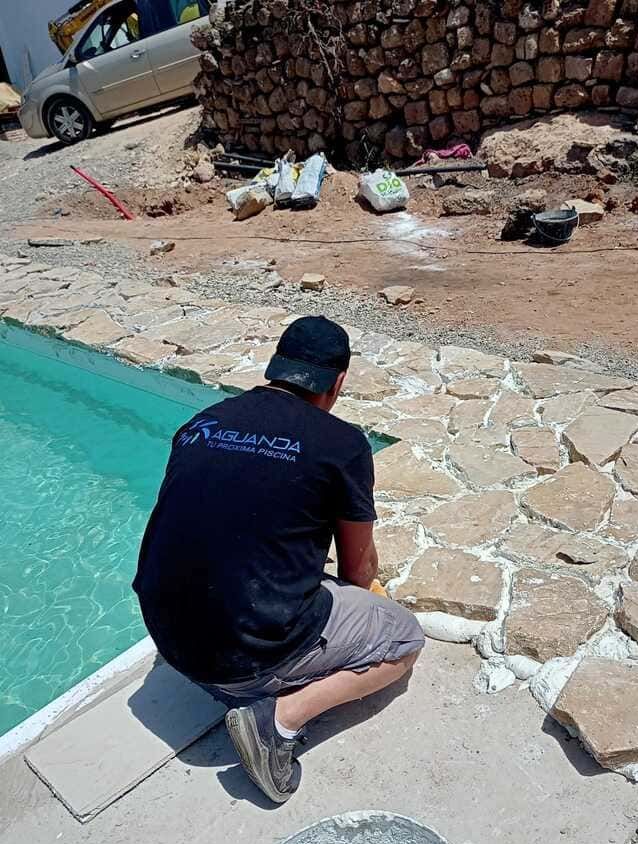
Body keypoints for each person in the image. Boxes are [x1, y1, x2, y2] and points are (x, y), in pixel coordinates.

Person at [133, 316, 425, 803]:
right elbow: (356, 571)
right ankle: (277, 724)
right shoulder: (342, 445)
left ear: (275, 368)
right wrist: (370, 599)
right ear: (338, 381)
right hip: (236, 660)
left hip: (166, 632)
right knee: (402, 638)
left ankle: (253, 683)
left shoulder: (202, 423)